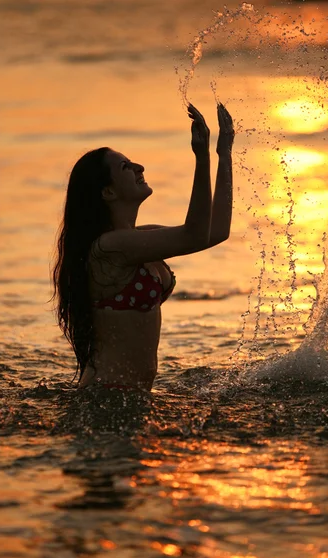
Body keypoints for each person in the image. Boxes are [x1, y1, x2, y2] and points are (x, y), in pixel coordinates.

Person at [52, 103, 234, 391]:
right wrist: (201, 157)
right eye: (126, 167)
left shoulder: (136, 239)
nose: (139, 167)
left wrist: (224, 153)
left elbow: (216, 231)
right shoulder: (109, 247)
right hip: (104, 399)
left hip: (130, 399)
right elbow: (195, 235)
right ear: (108, 192)